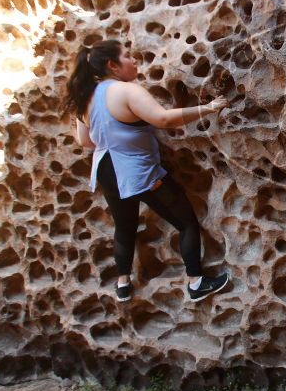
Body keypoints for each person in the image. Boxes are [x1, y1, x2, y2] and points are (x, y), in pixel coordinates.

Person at [64, 39, 229, 303]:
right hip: (138, 172)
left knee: (124, 227)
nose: (134, 61)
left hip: (107, 171)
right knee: (185, 222)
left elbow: (85, 142)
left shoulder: (85, 96)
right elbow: (162, 119)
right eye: (128, 56)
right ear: (112, 65)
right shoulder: (125, 91)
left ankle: (123, 284)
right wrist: (208, 108)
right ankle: (197, 283)